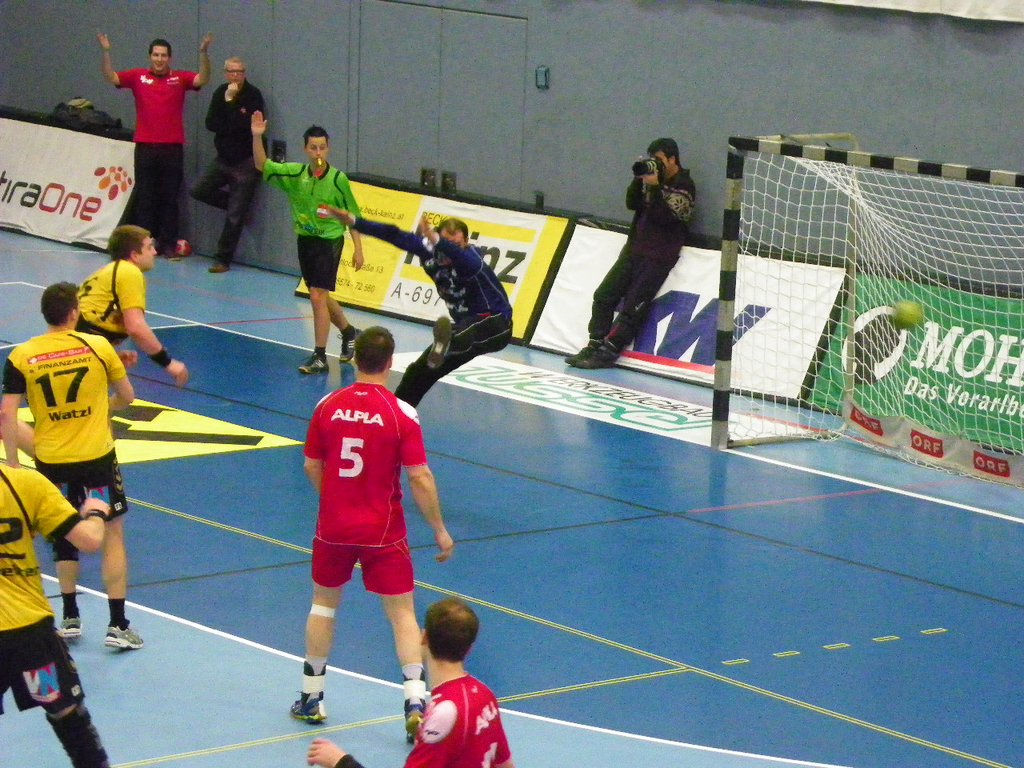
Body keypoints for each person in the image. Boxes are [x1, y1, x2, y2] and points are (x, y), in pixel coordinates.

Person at [294, 326, 454, 744]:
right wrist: (439, 529)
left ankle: (311, 697)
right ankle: (415, 703)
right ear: (390, 362)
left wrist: (335, 499)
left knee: (323, 605)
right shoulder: (401, 413)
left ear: (353, 358)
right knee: (402, 615)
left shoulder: (328, 405)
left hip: (333, 526)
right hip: (383, 530)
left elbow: (311, 465)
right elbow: (419, 477)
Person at [1, 282, 142, 651]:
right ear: (75, 313)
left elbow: (6, 414)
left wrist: (13, 461)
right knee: (112, 534)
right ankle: (117, 624)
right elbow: (127, 396)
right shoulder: (97, 346)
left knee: (63, 533)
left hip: (52, 461)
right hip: (96, 457)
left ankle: (69, 617)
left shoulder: (22, 354)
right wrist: (102, 406)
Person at [305, 597, 514, 768]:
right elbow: (504, 764)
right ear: (469, 648)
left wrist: (340, 762)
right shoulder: (485, 695)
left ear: (423, 638)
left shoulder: (444, 713)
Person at [332, 211, 512, 406]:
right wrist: (354, 221)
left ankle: (448, 343)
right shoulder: (428, 250)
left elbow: (457, 253)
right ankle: (397, 414)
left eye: (457, 244)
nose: (450, 250)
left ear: (466, 243)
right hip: (461, 334)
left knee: (465, 333)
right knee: (418, 372)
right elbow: (392, 234)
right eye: (446, 242)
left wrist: (439, 241)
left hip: (496, 324)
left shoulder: (471, 259)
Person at [0, 464, 113, 768]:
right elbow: (89, 540)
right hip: (28, 634)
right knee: (66, 713)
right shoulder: (25, 483)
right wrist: (95, 512)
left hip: (26, 630)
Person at [565, 137, 696, 369]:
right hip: (634, 249)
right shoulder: (651, 180)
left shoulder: (685, 186)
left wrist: (654, 186)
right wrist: (639, 179)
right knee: (604, 295)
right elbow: (632, 204)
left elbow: (665, 218)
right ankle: (594, 343)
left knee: (633, 308)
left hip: (658, 257)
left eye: (659, 160)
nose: (656, 164)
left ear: (672, 159)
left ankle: (608, 352)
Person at [251, 111, 364, 373]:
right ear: (305, 149)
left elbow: (352, 216)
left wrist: (358, 249)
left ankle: (320, 356)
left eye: (322, 147)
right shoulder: (295, 174)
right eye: (313, 147)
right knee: (320, 295)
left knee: (316, 295)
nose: (317, 152)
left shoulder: (337, 180)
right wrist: (257, 137)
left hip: (329, 240)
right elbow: (261, 165)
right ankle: (349, 332)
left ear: (328, 148)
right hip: (305, 239)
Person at [98, 31, 212, 259]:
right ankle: (144, 245)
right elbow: (111, 77)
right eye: (156, 55)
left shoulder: (179, 78)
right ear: (150, 57)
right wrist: (106, 51)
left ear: (170, 58)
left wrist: (203, 53)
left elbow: (203, 79)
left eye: (163, 55)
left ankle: (168, 245)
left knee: (170, 198)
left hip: (172, 148)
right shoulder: (138, 76)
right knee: (145, 198)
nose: (159, 59)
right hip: (145, 147)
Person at [76, 224, 190, 388]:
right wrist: (168, 362)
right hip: (82, 350)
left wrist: (112, 355)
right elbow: (135, 326)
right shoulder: (129, 272)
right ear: (135, 255)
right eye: (149, 247)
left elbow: (92, 317)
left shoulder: (108, 270)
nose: (154, 252)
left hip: (78, 347)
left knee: (125, 395)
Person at [190, 56, 265, 273]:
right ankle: (239, 209)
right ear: (225, 73)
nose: (235, 75)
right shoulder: (219, 92)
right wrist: (229, 113)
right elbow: (211, 123)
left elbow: (246, 127)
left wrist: (231, 103)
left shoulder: (253, 95)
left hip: (246, 161)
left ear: (244, 73)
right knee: (198, 190)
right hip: (223, 159)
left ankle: (222, 259)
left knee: (233, 218)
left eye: (239, 71)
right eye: (231, 71)